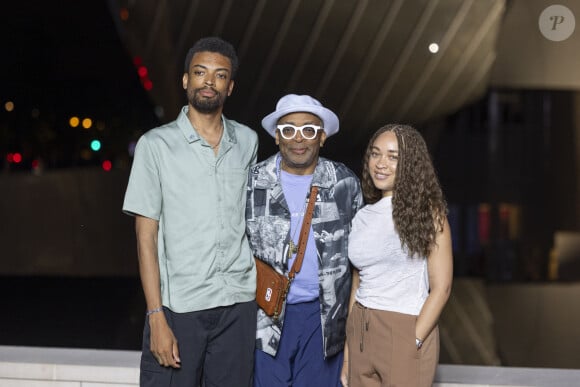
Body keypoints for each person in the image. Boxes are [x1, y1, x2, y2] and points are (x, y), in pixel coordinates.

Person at [122, 37, 258, 387]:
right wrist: (156, 317)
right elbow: (145, 238)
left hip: (238, 304)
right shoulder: (156, 145)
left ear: (230, 86)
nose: (209, 81)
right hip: (179, 309)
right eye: (200, 72)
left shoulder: (247, 141)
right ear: (186, 81)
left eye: (219, 75)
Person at [246, 94, 364, 386]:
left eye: (309, 130)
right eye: (289, 129)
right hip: (265, 319)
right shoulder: (252, 182)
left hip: (324, 321)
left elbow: (363, 257)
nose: (298, 139)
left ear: (322, 137)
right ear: (277, 136)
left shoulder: (344, 183)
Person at [341, 124, 453, 387]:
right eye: (376, 154)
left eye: (393, 157)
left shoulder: (429, 214)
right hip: (361, 329)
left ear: (410, 164)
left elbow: (442, 288)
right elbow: (357, 283)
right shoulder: (363, 216)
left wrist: (413, 339)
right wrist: (348, 348)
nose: (381, 163)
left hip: (404, 328)